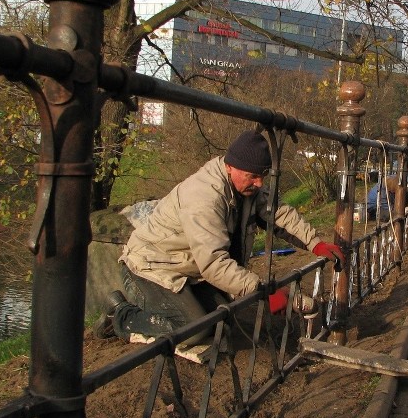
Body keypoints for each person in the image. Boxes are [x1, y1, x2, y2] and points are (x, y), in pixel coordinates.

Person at [95, 129, 345, 345]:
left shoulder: (245, 184)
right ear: (230, 166)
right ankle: (120, 314)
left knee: (220, 323)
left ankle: (157, 307)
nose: (259, 183)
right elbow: (214, 263)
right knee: (193, 330)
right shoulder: (204, 198)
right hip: (151, 266)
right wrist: (263, 292)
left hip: (188, 270)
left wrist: (316, 243)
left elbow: (277, 214)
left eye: (263, 176)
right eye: (253, 177)